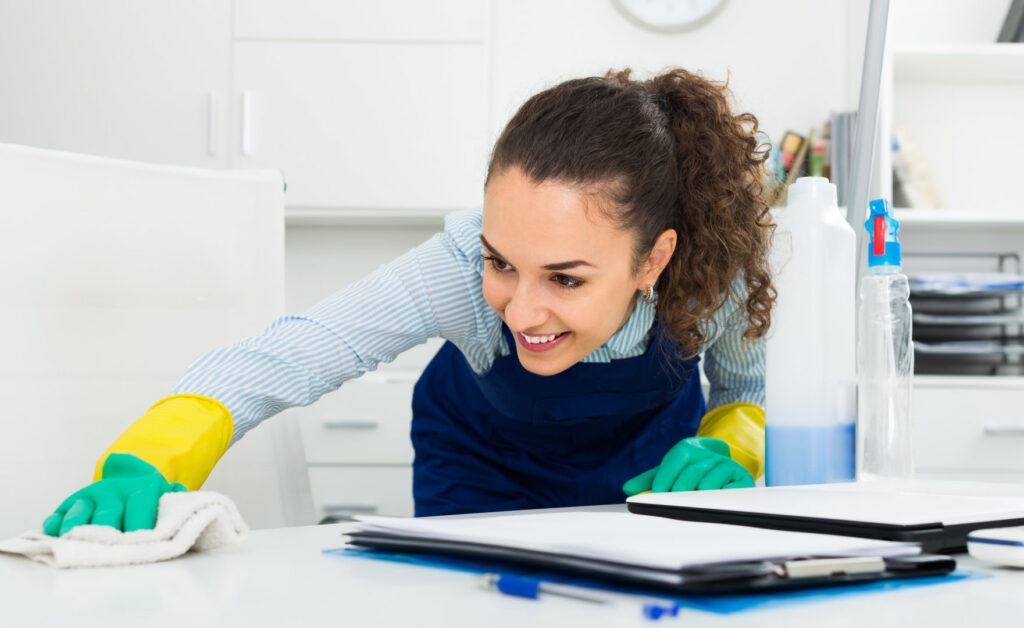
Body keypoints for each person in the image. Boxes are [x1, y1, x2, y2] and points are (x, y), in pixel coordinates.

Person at [43, 67, 775, 535]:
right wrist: (149, 456)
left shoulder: (714, 281)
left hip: (647, 476)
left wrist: (730, 444)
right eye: (501, 262)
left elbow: (748, 389)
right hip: (481, 471)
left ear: (655, 258)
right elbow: (299, 349)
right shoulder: (455, 271)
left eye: (566, 279)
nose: (519, 312)